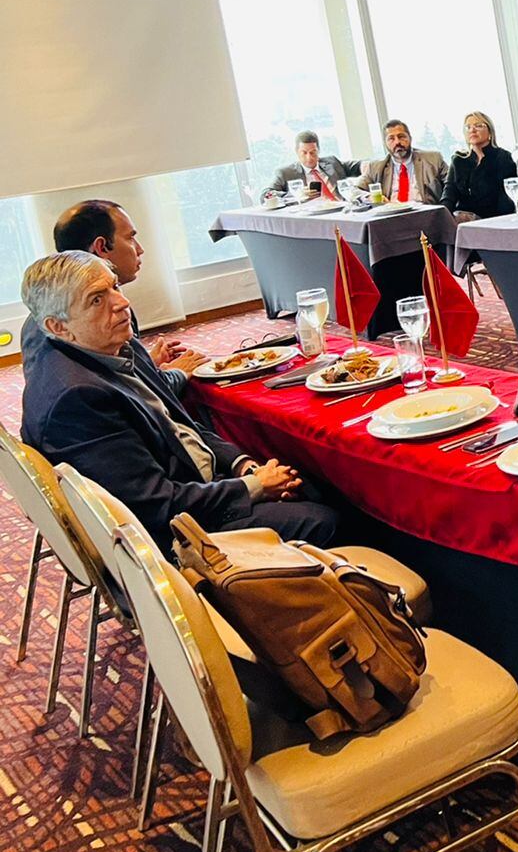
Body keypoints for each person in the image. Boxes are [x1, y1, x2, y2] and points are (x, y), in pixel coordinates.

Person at [20, 252, 338, 544]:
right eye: (96, 300)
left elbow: (183, 426)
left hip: (198, 482)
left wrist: (243, 466)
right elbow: (156, 507)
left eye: (114, 287)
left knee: (321, 481)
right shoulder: (76, 400)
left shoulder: (113, 346)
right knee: (323, 519)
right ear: (58, 326)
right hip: (176, 534)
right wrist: (254, 488)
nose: (121, 303)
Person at [20, 200, 206, 385]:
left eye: (115, 287)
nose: (140, 249)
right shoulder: (84, 316)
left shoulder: (49, 308)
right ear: (101, 247)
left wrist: (145, 362)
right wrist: (178, 373)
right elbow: (120, 395)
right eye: (130, 238)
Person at [442, 111, 518, 222]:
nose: (472, 130)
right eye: (468, 127)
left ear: (490, 132)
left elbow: (506, 198)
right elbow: (449, 194)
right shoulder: (458, 160)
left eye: (478, 126)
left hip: (493, 219)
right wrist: (442, 218)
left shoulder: (503, 157)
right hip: (463, 220)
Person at [359, 120, 446, 203]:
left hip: (425, 213)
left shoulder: (433, 159)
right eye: (391, 139)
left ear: (410, 138)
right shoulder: (375, 167)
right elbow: (352, 191)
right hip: (392, 214)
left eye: (401, 137)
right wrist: (369, 197)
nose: (397, 142)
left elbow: (452, 185)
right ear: (385, 143)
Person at [263, 131, 357, 200]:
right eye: (304, 153)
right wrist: (296, 195)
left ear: (318, 150)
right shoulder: (285, 173)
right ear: (297, 152)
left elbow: (359, 166)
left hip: (342, 210)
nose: (309, 157)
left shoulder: (332, 162)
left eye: (313, 152)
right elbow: (265, 195)